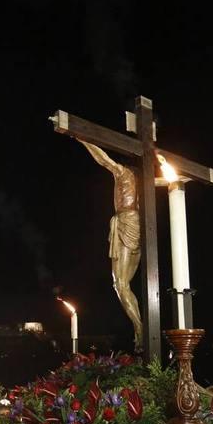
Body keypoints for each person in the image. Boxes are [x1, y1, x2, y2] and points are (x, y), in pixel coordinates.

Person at [80, 141, 143, 350]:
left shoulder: (123, 173)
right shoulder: (142, 182)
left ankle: (140, 330)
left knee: (121, 285)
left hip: (126, 223)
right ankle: (139, 329)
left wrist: (82, 138)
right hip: (135, 224)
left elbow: (103, 159)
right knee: (124, 285)